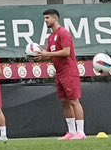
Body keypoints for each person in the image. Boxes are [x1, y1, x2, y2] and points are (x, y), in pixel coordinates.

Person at [27, 10, 85, 140]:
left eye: (47, 18)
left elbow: (66, 52)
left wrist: (47, 54)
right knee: (65, 102)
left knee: (74, 101)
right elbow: (52, 56)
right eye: (44, 18)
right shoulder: (51, 37)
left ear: (55, 18)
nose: (45, 20)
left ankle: (81, 132)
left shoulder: (63, 33)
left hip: (69, 71)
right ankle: (71, 132)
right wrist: (42, 57)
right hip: (59, 73)